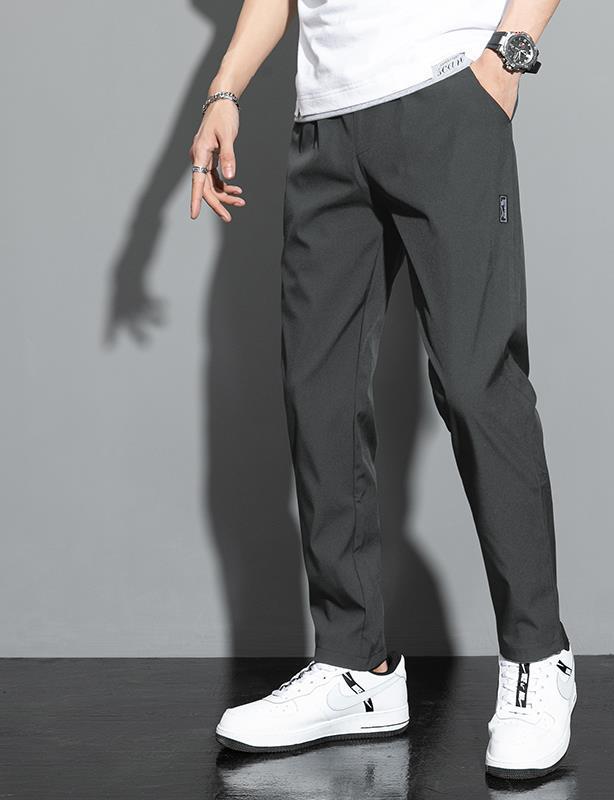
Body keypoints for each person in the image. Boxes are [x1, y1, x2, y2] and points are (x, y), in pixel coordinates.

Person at [190, 0, 575, 779]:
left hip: (446, 95)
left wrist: (508, 58)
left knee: (476, 383)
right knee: (319, 394)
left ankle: (539, 659)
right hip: (324, 124)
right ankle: (354, 666)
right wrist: (224, 89)